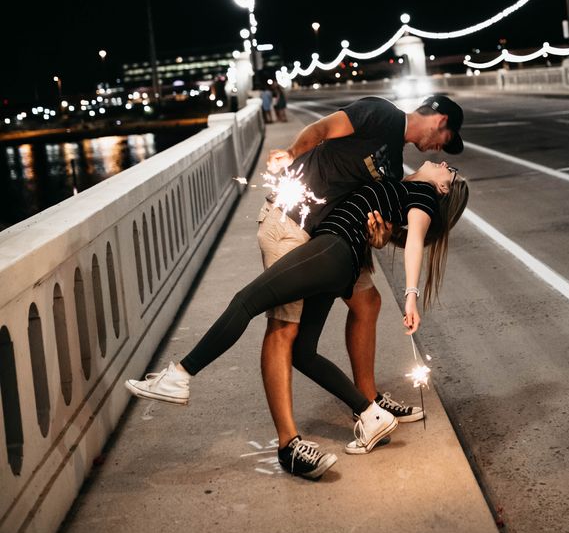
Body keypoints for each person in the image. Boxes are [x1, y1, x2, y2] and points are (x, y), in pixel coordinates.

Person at [125, 161, 469, 480]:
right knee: (303, 352)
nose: (442, 164)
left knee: (246, 301)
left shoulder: (422, 196)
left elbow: (414, 242)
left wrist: (410, 296)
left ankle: (180, 376)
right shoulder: (399, 185)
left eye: (449, 171)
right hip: (338, 263)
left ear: (442, 190)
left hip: (333, 251)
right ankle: (371, 415)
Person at [257, 93, 464, 475]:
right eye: (447, 139)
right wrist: (290, 154)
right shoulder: (380, 113)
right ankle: (288, 444)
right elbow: (320, 130)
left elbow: (375, 220)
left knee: (367, 303)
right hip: (291, 221)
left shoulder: (393, 170)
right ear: (439, 119)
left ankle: (368, 401)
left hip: (327, 235)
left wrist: (380, 236)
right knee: (284, 328)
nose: (441, 148)